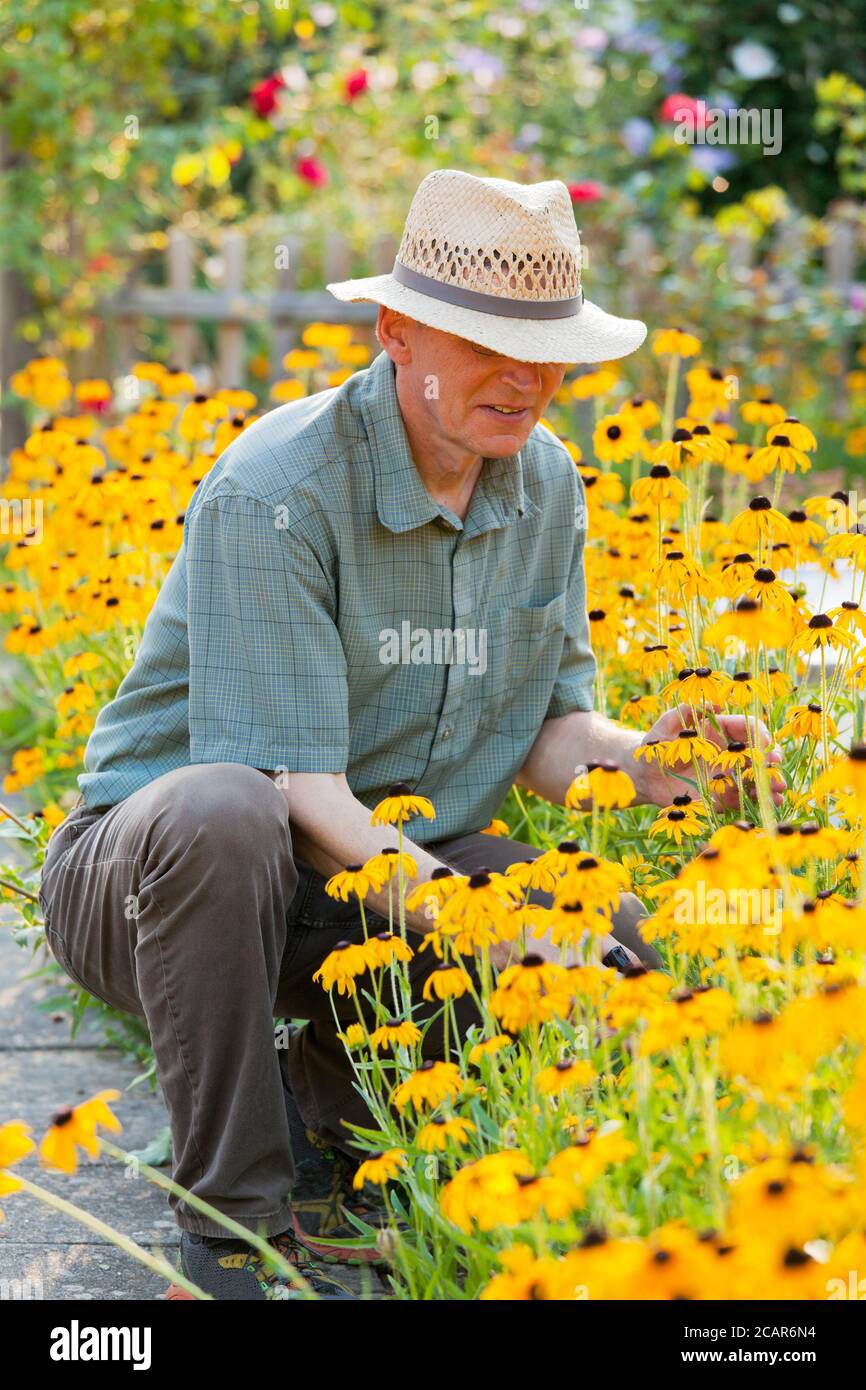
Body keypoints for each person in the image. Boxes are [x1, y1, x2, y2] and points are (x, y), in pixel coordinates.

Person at [39, 169, 781, 1301]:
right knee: (224, 806)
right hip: (159, 883)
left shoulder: (547, 484)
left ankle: (344, 1100)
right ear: (396, 332)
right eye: (486, 343)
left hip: (364, 882)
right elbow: (302, 800)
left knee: (605, 923)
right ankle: (234, 1226)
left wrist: (653, 764)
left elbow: (546, 731)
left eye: (547, 347)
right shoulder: (275, 489)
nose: (524, 375)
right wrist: (495, 935)